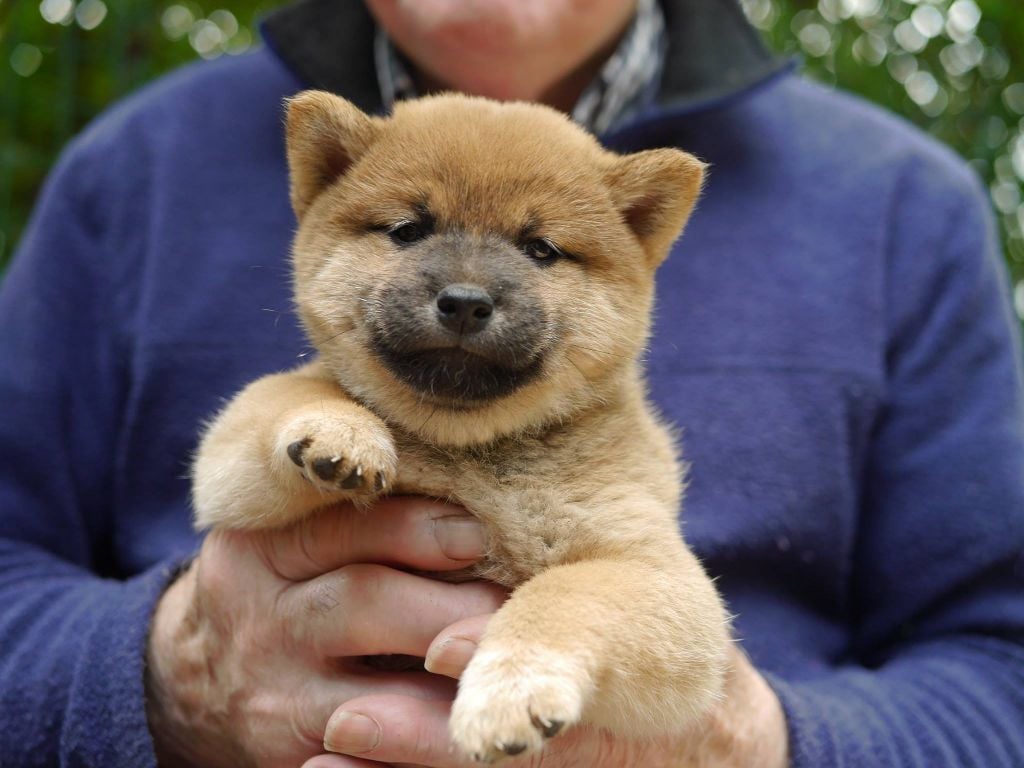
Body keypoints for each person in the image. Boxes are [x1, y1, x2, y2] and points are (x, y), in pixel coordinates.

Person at [1, 0, 1022, 765]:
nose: (464, 291)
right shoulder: (128, 174)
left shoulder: (907, 210)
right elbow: (230, 478)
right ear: (320, 178)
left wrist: (750, 743)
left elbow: (1000, 675)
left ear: (643, 228)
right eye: (408, 230)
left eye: (540, 251)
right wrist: (165, 677)